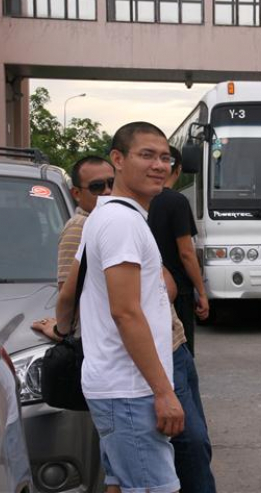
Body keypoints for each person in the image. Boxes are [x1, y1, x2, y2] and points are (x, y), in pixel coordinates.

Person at [56, 121, 183, 493]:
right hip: (131, 390)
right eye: (146, 155)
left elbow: (70, 292)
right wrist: (163, 392)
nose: (159, 165)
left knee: (119, 484)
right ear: (118, 160)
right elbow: (125, 312)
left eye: (164, 157)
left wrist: (62, 329)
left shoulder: (104, 216)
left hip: (116, 389)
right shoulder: (122, 222)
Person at [32, 155, 114, 335]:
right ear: (76, 194)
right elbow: (68, 295)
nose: (107, 191)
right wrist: (60, 332)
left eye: (112, 183)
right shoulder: (79, 227)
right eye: (97, 187)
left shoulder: (107, 221)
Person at [149, 146, 209, 356]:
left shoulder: (142, 199)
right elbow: (186, 253)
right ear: (179, 168)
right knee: (180, 351)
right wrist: (201, 292)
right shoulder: (177, 201)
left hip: (148, 286)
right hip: (178, 291)